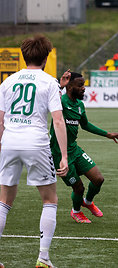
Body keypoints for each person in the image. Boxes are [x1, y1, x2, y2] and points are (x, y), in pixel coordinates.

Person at [0, 35, 69, 268]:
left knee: (4, 201)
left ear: (23, 55)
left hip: (9, 142)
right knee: (50, 199)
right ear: (46, 57)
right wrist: (65, 156)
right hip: (36, 142)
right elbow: (58, 121)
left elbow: (0, 121)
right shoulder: (50, 83)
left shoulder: (7, 82)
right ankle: (43, 258)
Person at [50, 72, 118, 224]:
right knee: (78, 187)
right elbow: (49, 99)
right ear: (70, 86)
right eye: (80, 85)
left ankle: (88, 202)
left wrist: (107, 134)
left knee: (98, 179)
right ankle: (76, 211)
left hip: (74, 149)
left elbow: (85, 125)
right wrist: (60, 85)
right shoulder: (60, 102)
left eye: (84, 85)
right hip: (59, 153)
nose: (83, 88)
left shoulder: (79, 105)